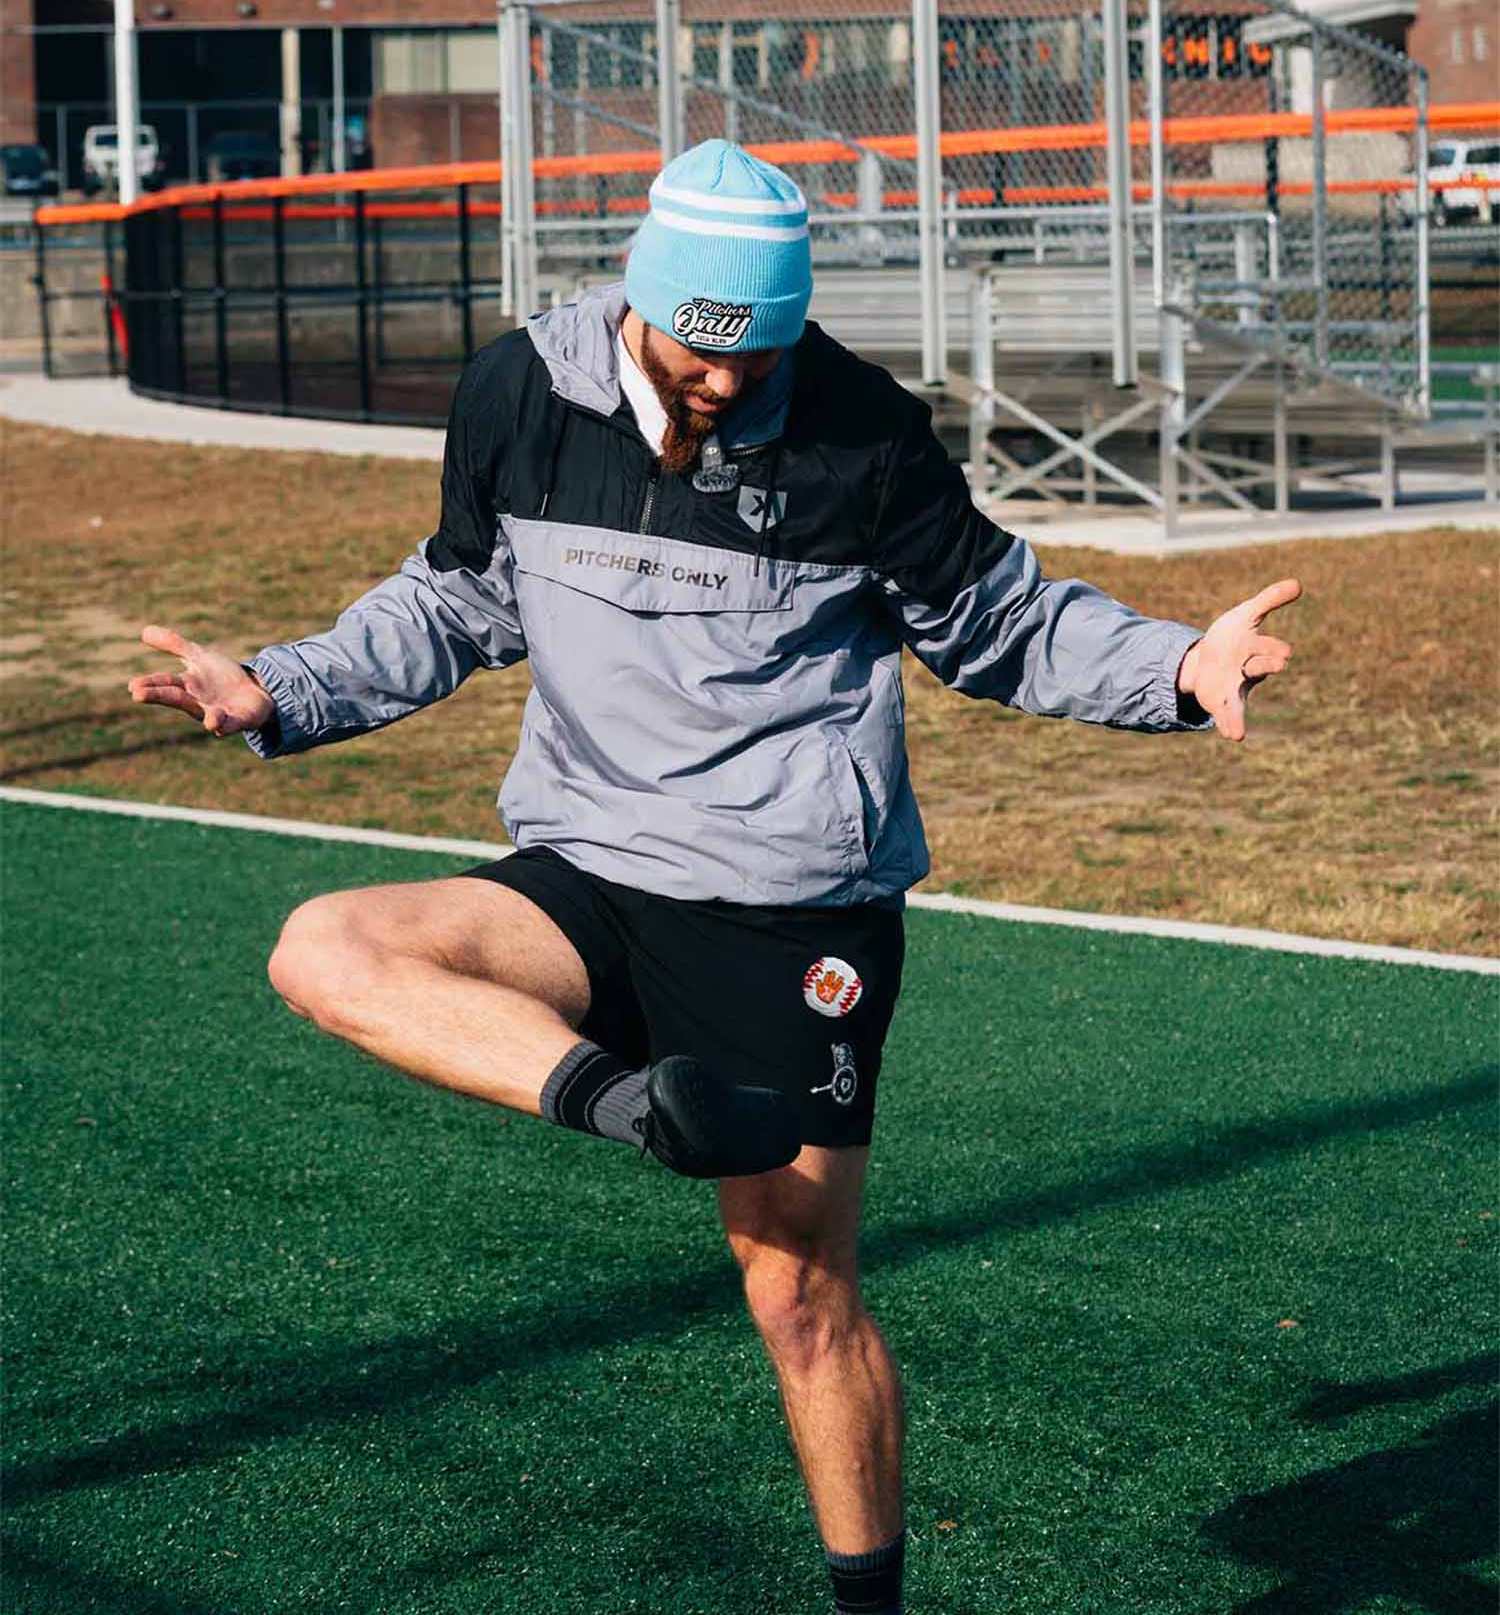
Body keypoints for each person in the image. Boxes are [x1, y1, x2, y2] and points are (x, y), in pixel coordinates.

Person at [129, 137, 1299, 1615]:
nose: (729, 382)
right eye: (701, 351)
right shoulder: (517, 394)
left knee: (796, 1294)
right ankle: (646, 1111)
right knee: (326, 947)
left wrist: (1177, 666)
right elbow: (461, 597)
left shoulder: (864, 434)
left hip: (788, 903)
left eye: (761, 353)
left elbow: (999, 621)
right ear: (641, 299)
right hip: (592, 865)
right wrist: (281, 689)